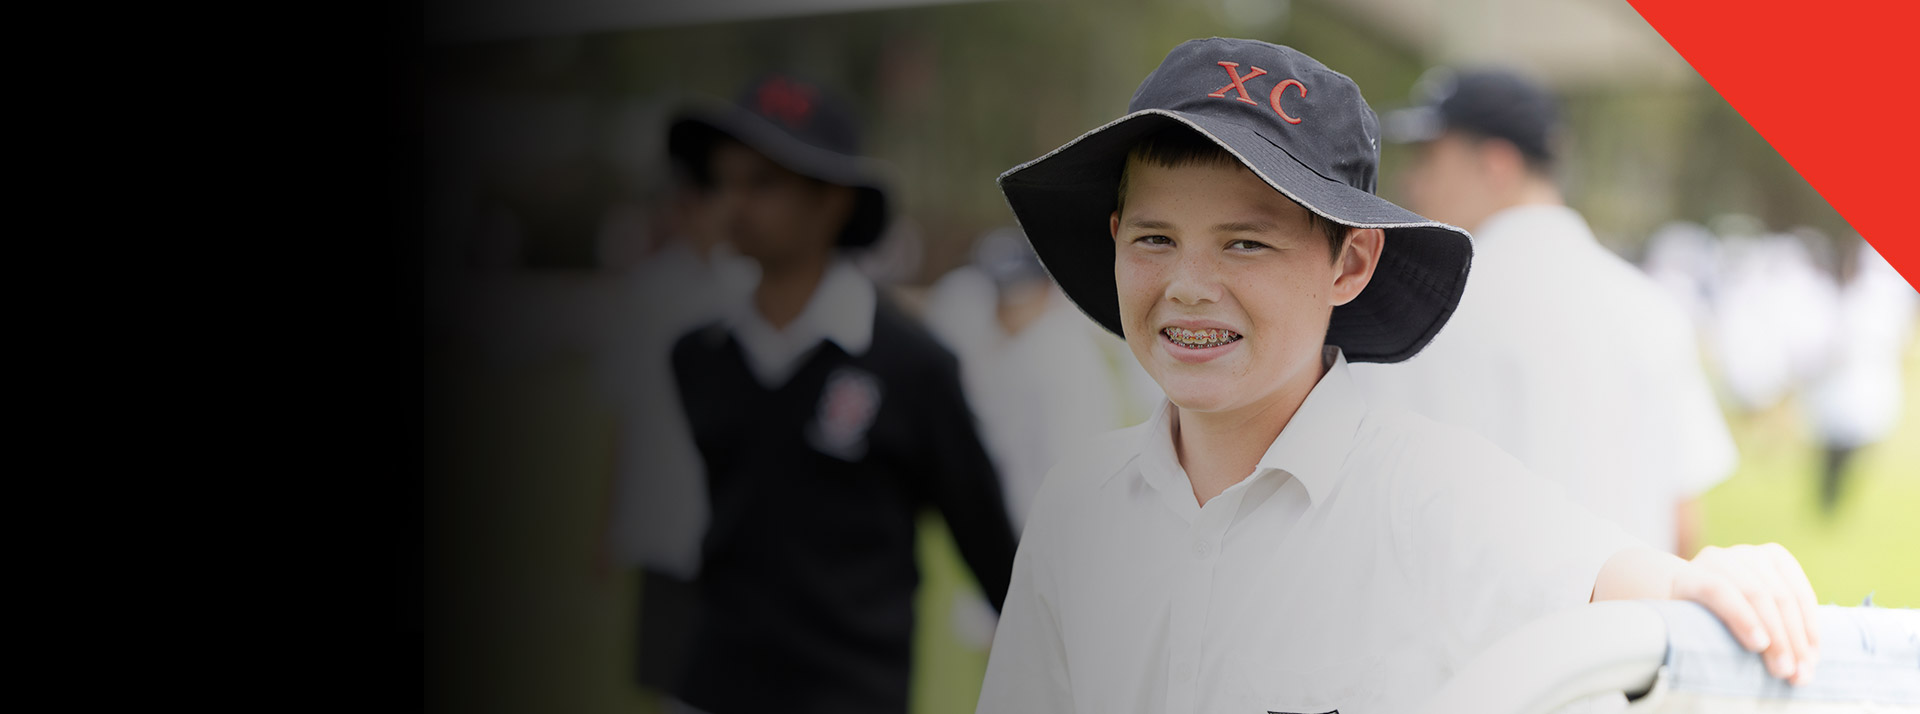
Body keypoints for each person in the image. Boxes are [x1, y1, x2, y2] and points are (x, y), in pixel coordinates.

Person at [977, 38, 1822, 714]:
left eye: (1246, 242)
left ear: (1351, 262)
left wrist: (1715, 581)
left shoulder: (1433, 494)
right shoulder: (1076, 507)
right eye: (1156, 239)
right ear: (1115, 236)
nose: (1190, 284)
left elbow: (1617, 577)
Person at [663, 73, 1018, 714]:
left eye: (764, 183)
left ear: (831, 202)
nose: (736, 203)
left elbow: (989, 543)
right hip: (713, 687)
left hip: (851, 693)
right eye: (724, 181)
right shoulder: (699, 356)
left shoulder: (911, 365)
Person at [1343, 67, 1738, 557]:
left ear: (1497, 165)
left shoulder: (1408, 306)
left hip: (1477, 628)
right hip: (1633, 619)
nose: (1412, 180)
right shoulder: (1651, 307)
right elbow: (1681, 522)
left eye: (1429, 156)